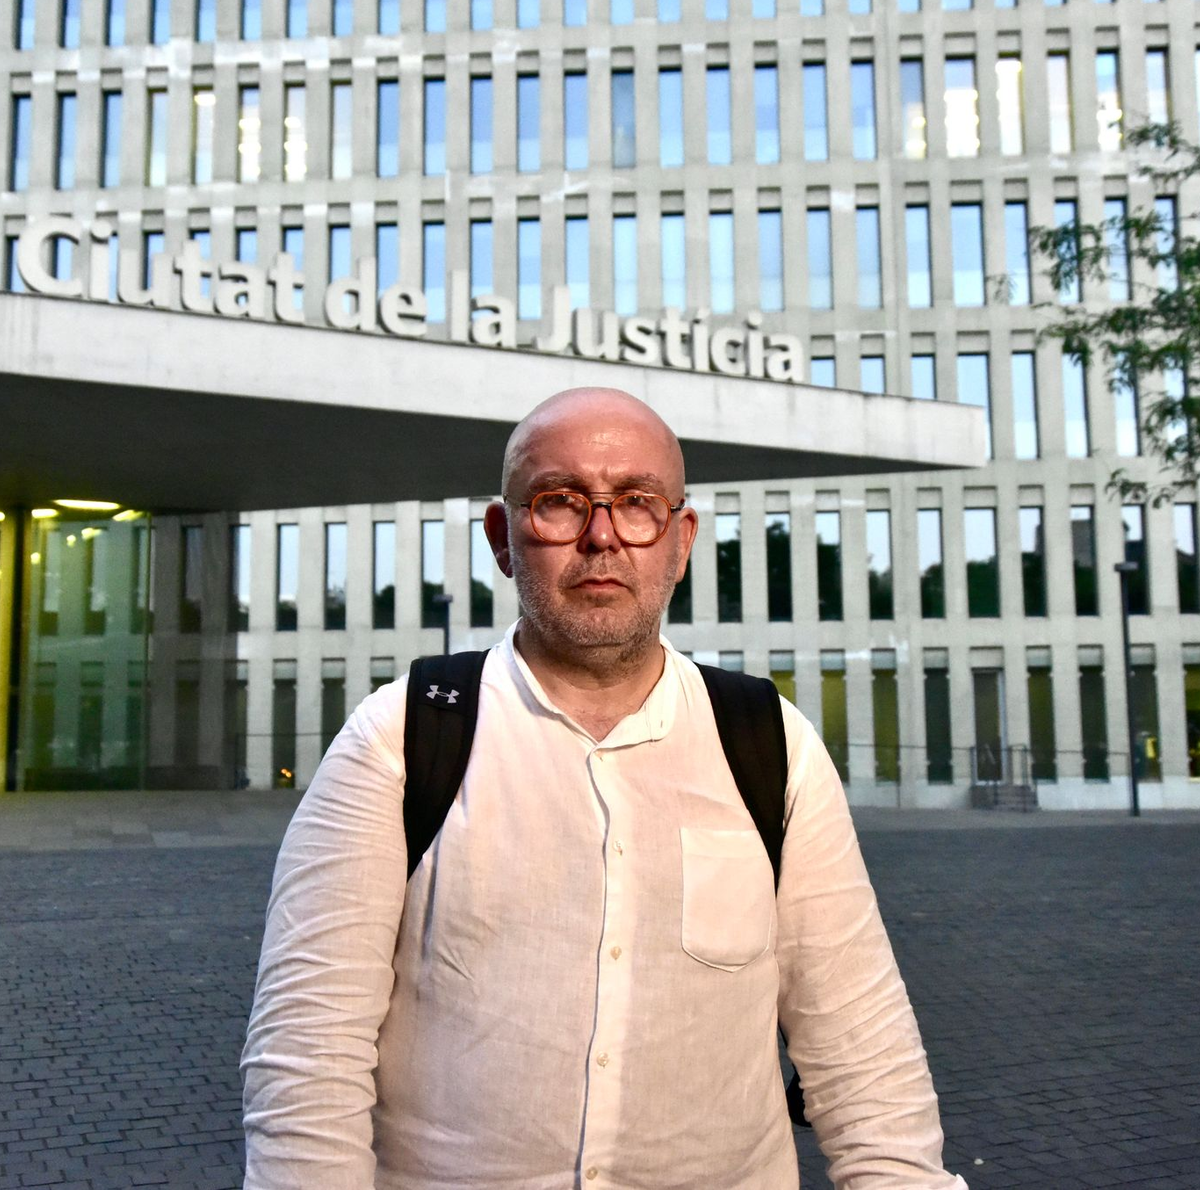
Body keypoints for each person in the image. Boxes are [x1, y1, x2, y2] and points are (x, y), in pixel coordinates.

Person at [241, 386, 969, 1189]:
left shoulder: (771, 745)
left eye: (636, 503)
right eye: (559, 502)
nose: (601, 536)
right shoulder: (400, 741)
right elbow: (307, 1062)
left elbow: (865, 1057)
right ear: (503, 537)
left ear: (681, 537)